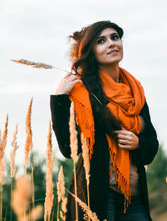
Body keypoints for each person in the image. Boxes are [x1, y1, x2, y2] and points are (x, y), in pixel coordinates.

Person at [50, 20, 159, 221]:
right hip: (98, 197)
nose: (111, 43)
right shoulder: (82, 92)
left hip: (133, 197)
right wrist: (60, 100)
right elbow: (68, 148)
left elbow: (151, 146)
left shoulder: (134, 92)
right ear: (91, 52)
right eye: (101, 41)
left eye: (115, 37)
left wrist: (138, 143)